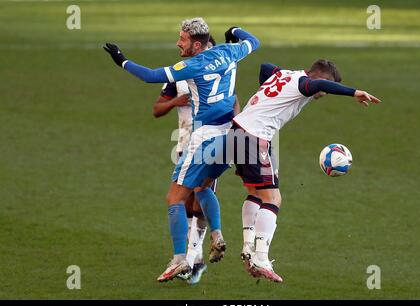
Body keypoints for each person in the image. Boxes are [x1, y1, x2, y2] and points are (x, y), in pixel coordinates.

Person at [104, 18, 259, 282]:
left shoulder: (192, 65)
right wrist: (234, 31)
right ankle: (217, 234)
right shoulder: (230, 51)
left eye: (182, 40)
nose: (178, 43)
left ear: (196, 45)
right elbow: (254, 41)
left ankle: (180, 260)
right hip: (231, 137)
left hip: (205, 137)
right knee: (204, 188)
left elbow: (150, 76)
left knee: (174, 198)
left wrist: (122, 60)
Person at [229, 59, 381, 282]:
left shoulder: (285, 74)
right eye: (325, 88)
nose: (324, 94)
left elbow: (265, 66)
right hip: (255, 136)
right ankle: (260, 257)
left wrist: (267, 94)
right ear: (321, 79)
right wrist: (354, 92)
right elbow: (319, 85)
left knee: (255, 192)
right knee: (273, 198)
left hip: (238, 130)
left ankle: (248, 247)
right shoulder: (304, 83)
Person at [152, 36, 240, 285]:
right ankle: (197, 254)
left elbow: (235, 105)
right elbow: (156, 109)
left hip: (209, 142)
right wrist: (174, 102)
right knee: (190, 200)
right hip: (185, 144)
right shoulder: (180, 75)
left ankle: (191, 259)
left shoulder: (222, 77)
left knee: (194, 201)